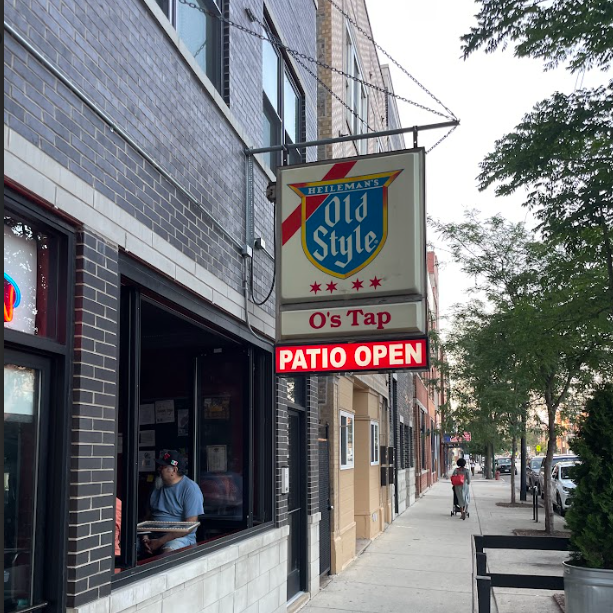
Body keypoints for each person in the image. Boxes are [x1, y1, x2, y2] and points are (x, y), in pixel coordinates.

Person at [141, 450, 204, 555]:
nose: (159, 469)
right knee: (127, 548)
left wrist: (160, 542)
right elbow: (147, 517)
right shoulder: (157, 486)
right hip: (152, 535)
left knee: (168, 553)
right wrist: (145, 538)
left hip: (179, 538)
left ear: (174, 470)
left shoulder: (190, 489)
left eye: (163, 467)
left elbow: (189, 526)